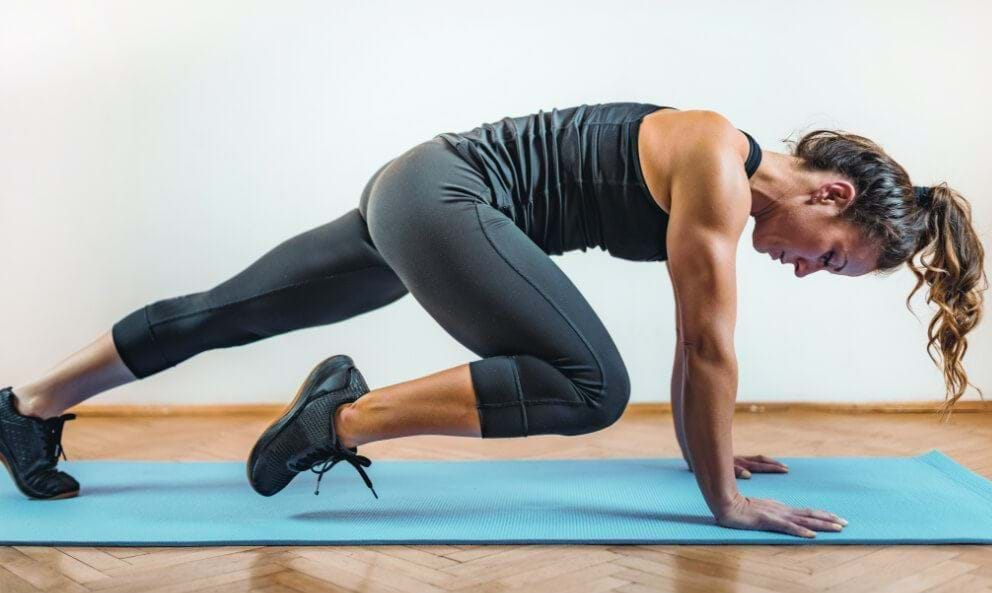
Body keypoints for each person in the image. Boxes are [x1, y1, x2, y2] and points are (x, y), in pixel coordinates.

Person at [0, 103, 985, 539]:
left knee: (230, 311)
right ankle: (332, 419)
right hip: (446, 199)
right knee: (590, 385)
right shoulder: (716, 171)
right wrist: (720, 500)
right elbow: (704, 346)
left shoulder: (719, 176)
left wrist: (710, 464)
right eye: (830, 254)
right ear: (827, 191)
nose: (807, 271)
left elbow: (698, 344)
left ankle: (28, 403)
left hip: (418, 187)